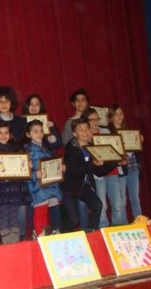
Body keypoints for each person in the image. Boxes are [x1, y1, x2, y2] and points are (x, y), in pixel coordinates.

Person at [62, 118, 114, 232]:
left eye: (86, 129)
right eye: (81, 130)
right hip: (70, 187)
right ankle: (60, 234)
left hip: (84, 187)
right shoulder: (71, 148)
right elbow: (75, 170)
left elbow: (99, 172)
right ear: (75, 133)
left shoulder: (92, 148)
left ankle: (91, 232)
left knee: (97, 205)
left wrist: (114, 162)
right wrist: (92, 163)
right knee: (74, 220)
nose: (84, 132)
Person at [0, 121, 31, 243]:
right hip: (0, 189)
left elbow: (21, 166)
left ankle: (14, 240)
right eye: (0, 133)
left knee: (13, 214)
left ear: (10, 135)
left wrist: (27, 165)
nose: (3, 135)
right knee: (3, 214)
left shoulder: (16, 148)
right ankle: (7, 241)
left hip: (14, 187)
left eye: (6, 133)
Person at [82, 108, 123, 228]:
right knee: (102, 205)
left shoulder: (105, 131)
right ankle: (103, 228)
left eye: (97, 119)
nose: (95, 122)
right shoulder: (85, 136)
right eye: (91, 119)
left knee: (117, 203)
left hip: (112, 171)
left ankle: (118, 227)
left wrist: (120, 156)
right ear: (86, 121)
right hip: (97, 175)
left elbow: (116, 148)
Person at [22, 120, 63, 237]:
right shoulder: (27, 150)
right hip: (38, 187)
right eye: (35, 131)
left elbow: (51, 165)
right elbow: (23, 171)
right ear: (28, 134)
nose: (39, 133)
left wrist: (60, 167)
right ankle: (41, 234)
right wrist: (35, 174)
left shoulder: (46, 148)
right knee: (41, 212)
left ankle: (54, 233)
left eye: (41, 131)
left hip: (51, 185)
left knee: (53, 211)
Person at [108, 104, 143, 223]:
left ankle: (140, 222)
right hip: (120, 168)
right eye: (116, 114)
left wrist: (138, 140)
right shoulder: (109, 133)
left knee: (135, 197)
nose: (119, 116)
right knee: (122, 199)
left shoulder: (129, 130)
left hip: (133, 166)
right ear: (111, 117)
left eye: (121, 113)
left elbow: (134, 147)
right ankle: (125, 225)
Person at [61, 88, 90, 230]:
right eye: (77, 100)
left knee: (95, 201)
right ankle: (83, 230)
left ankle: (91, 230)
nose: (80, 103)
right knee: (81, 202)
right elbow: (67, 143)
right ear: (73, 103)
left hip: (92, 166)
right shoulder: (70, 122)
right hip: (77, 167)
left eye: (83, 100)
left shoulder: (92, 119)